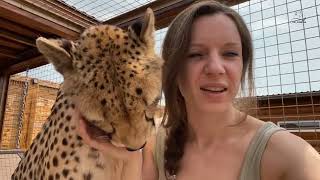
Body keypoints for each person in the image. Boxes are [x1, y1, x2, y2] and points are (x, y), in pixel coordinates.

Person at [77, 1, 320, 180]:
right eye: (195, 54)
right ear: (173, 70)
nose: (215, 68)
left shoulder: (296, 159)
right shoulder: (153, 147)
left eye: (230, 53)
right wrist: (128, 158)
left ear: (242, 64)